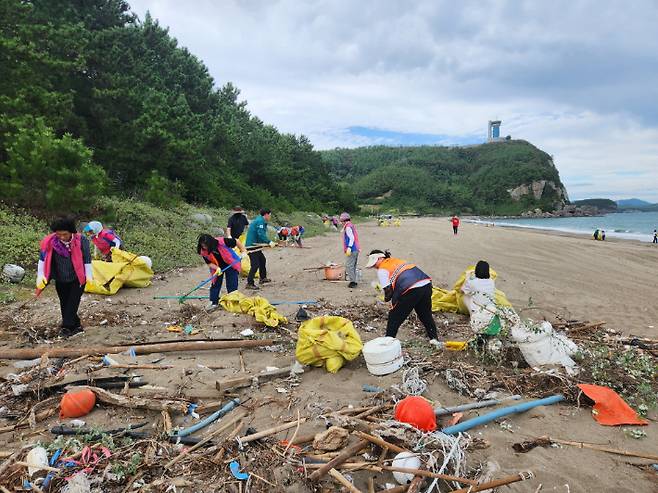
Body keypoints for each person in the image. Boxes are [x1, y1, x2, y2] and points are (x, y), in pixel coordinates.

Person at [365, 250, 440, 347]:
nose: (375, 266)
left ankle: (388, 344)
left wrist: (385, 297)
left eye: (375, 263)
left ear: (380, 258)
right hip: (425, 284)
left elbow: (389, 293)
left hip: (410, 288)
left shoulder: (382, 269)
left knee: (394, 318)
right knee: (425, 315)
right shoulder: (398, 261)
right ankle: (434, 340)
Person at [37, 217, 93, 337]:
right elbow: (43, 260)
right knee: (65, 303)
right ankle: (76, 325)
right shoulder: (50, 242)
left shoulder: (82, 240)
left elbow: (87, 259)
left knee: (73, 302)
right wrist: (41, 277)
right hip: (60, 278)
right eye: (59, 234)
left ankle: (66, 327)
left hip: (77, 278)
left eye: (65, 234)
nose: (62, 237)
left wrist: (89, 276)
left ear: (71, 232)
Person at [197, 234, 246, 311]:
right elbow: (209, 263)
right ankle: (214, 302)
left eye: (206, 246)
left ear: (211, 243)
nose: (204, 247)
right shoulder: (203, 251)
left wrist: (243, 251)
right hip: (217, 267)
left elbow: (236, 241)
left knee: (232, 283)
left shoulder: (222, 242)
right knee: (215, 283)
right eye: (203, 246)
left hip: (231, 263)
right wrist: (217, 268)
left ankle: (233, 300)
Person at [461, 261, 497, 333]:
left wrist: (467, 277)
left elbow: (462, 290)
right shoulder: (491, 282)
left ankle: (472, 315)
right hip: (492, 311)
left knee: (465, 296)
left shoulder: (472, 282)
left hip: (478, 313)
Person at [245, 208, 275, 290]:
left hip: (256, 245)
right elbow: (261, 234)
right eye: (270, 215)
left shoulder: (261, 220)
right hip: (251, 246)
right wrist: (269, 242)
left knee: (262, 260)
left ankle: (262, 278)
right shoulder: (260, 221)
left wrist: (267, 243)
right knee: (255, 265)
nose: (270, 217)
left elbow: (260, 235)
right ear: (266, 214)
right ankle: (249, 283)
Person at [340, 212, 360, 288]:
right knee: (353, 265)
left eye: (341, 221)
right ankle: (354, 280)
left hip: (352, 249)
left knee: (349, 266)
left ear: (343, 220)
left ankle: (353, 282)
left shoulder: (348, 227)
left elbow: (351, 238)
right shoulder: (350, 225)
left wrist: (349, 247)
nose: (341, 222)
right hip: (356, 248)